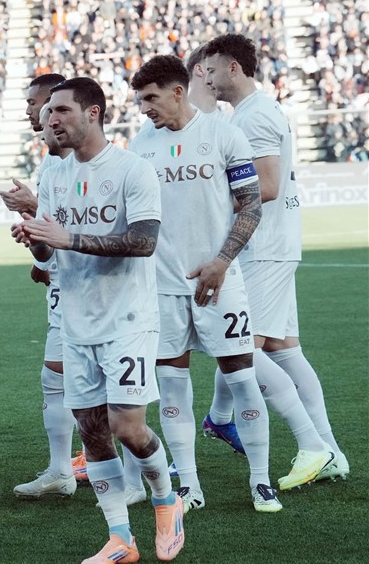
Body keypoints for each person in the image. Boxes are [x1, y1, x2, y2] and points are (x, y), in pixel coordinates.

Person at [11, 77, 184, 563]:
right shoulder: (54, 175)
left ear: (94, 113)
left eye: (61, 110)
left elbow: (144, 242)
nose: (51, 119)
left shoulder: (133, 170)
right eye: (48, 112)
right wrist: (36, 240)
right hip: (76, 322)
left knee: (127, 427)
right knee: (91, 429)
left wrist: (67, 238)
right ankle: (120, 538)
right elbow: (50, 251)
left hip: (128, 319)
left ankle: (167, 501)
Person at [129, 55, 280, 513]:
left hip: (221, 281)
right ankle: (189, 485)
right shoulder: (140, 145)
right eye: (140, 101)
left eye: (150, 98)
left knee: (243, 379)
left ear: (178, 92)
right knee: (172, 386)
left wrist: (221, 262)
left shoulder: (224, 135)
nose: (144, 109)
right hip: (162, 286)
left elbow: (250, 205)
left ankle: (261, 481)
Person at [202, 34, 346, 487]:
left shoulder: (255, 115)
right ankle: (331, 452)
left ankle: (311, 445)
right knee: (285, 350)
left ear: (234, 68)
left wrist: (204, 201)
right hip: (275, 244)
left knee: (241, 347)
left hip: (262, 247)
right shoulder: (254, 111)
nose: (207, 78)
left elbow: (265, 186)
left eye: (211, 69)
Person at [0, 74, 85, 499]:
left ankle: (133, 477)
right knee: (56, 377)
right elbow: (51, 232)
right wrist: (38, 253)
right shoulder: (52, 162)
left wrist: (32, 206)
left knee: (99, 384)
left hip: (94, 291)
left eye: (35, 103)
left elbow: (80, 223)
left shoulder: (86, 163)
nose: (31, 112)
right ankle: (62, 470)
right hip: (63, 285)